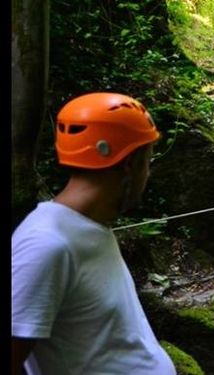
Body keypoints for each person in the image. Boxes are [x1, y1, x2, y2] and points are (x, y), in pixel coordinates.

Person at [11, 92, 176, 375]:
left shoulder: (88, 227)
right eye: (148, 161)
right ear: (129, 164)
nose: (147, 174)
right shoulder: (46, 243)